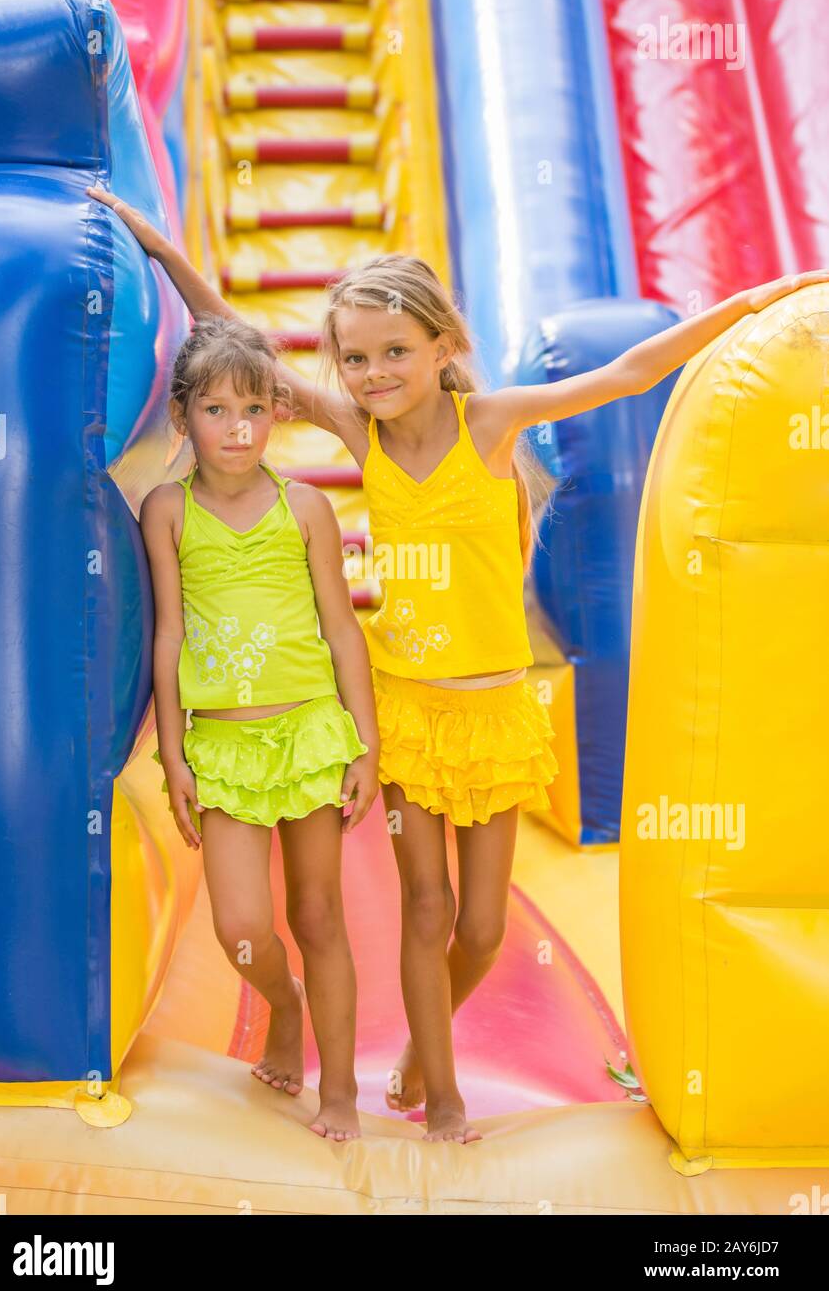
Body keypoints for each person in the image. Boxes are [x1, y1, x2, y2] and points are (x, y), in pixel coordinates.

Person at [87, 182, 829, 1143]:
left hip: (496, 716)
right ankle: (439, 1095)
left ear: (445, 347)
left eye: (395, 352)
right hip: (408, 713)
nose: (372, 373)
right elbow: (244, 344)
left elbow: (632, 372)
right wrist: (162, 248)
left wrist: (754, 304)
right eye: (354, 359)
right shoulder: (364, 437)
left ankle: (412, 1056)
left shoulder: (492, 424)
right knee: (426, 909)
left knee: (480, 929)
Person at [136, 308, 379, 1142]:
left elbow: (343, 631)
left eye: (254, 409)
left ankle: (339, 1089)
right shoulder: (168, 511)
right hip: (224, 746)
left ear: (278, 413)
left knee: (318, 917)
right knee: (240, 925)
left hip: (310, 731)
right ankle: (286, 1002)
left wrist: (364, 746)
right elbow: (167, 635)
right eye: (216, 410)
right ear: (184, 418)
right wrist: (174, 758)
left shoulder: (306, 507)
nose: (237, 430)